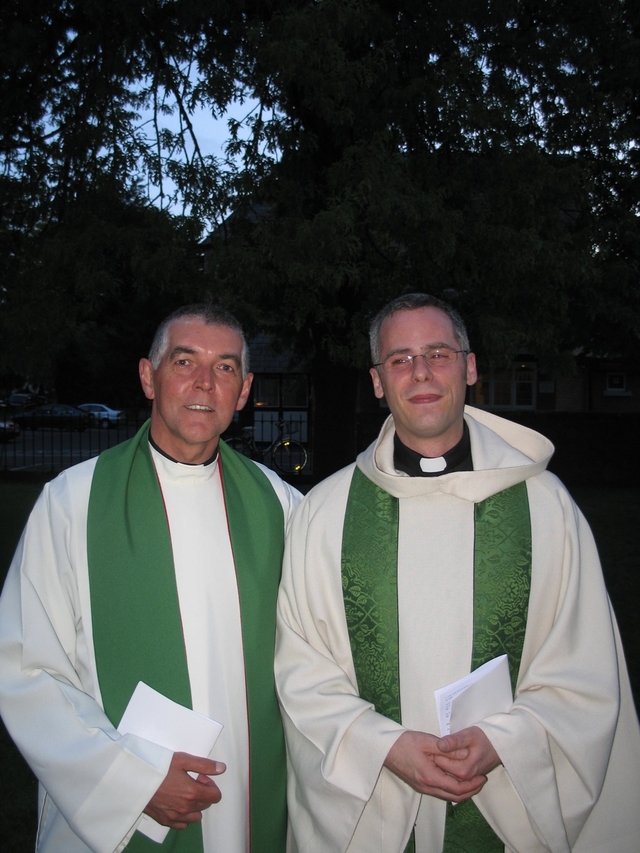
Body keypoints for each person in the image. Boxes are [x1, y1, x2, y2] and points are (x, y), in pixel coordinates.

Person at [275, 292, 640, 853]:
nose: (420, 372)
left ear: (469, 368)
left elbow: (584, 670)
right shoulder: (324, 514)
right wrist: (382, 748)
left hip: (504, 806)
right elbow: (301, 672)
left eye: (438, 353)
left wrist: (504, 743)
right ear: (377, 381)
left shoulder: (545, 507)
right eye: (399, 359)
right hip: (376, 809)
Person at [0, 304, 302, 853]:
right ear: (148, 375)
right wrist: (132, 783)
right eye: (184, 360)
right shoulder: (73, 502)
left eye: (226, 367)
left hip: (247, 795)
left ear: (244, 389)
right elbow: (24, 668)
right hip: (122, 806)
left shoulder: (279, 504)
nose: (205, 383)